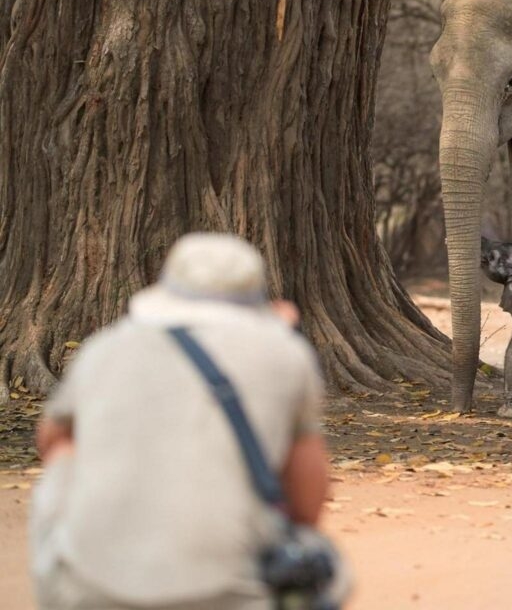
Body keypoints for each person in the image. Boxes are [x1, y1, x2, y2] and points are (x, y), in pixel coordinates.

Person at [31, 233, 331, 609]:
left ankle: (76, 559)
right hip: (231, 595)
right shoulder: (285, 353)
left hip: (86, 593)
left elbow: (51, 439)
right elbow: (307, 505)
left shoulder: (103, 348)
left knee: (67, 446)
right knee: (324, 564)